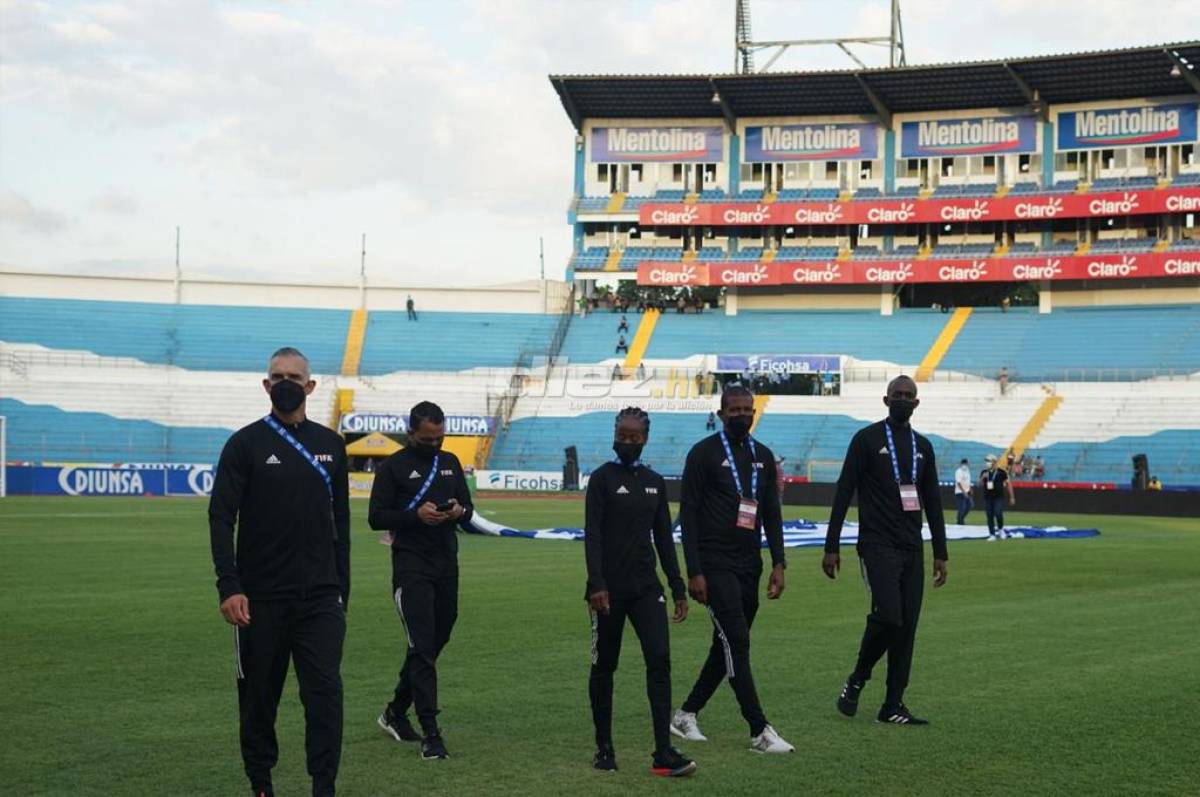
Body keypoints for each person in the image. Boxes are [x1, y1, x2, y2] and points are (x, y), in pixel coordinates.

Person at [208, 347, 351, 797]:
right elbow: (220, 517)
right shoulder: (244, 444)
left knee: (325, 699)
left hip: (320, 600)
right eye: (277, 376)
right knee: (257, 703)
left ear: (311, 386)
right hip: (260, 599)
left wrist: (341, 590)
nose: (285, 382)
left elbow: (341, 522)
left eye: (295, 376)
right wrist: (229, 586)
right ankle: (262, 786)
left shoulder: (331, 445)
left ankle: (323, 787)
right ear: (266, 385)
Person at [670, 385, 794, 754]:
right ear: (721, 413)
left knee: (725, 643)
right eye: (735, 409)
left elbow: (771, 512)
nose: (742, 415)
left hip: (749, 564)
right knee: (736, 641)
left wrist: (778, 563)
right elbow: (687, 514)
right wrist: (694, 570)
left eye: (747, 409)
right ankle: (759, 730)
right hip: (713, 561)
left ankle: (685, 714)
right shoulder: (704, 453)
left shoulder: (763, 456)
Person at [822, 375, 948, 726]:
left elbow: (933, 502)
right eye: (898, 395)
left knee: (906, 627)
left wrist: (940, 551)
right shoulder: (866, 439)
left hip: (912, 548)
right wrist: (832, 545)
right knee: (889, 616)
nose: (903, 400)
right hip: (876, 546)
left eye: (909, 395)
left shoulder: (923, 446)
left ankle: (893, 704)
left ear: (917, 403)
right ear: (885, 399)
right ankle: (858, 677)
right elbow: (844, 490)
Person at [584, 407, 696, 777]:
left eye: (634, 437)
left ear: (645, 438)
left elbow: (664, 536)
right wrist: (597, 584)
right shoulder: (601, 479)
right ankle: (604, 747)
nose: (627, 442)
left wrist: (677, 585)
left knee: (660, 661)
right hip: (608, 592)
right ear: (614, 434)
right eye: (622, 435)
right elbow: (593, 535)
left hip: (648, 588)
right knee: (605, 666)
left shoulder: (654, 482)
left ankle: (662, 751)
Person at [370, 401, 473, 760]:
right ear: (411, 433)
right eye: (427, 439)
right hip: (411, 567)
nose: (435, 445)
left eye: (440, 438)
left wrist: (459, 511)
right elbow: (375, 516)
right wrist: (415, 516)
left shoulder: (450, 463)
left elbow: (468, 507)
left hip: (446, 563)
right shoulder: (393, 467)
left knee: (432, 641)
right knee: (423, 647)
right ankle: (431, 733)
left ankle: (395, 712)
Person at [980, 453, 1016, 541]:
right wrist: (982, 478)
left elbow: (1008, 484)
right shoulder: (984, 472)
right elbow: (980, 484)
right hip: (987, 497)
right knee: (989, 516)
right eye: (986, 461)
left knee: (998, 513)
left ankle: (1000, 529)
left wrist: (1012, 497)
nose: (987, 463)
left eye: (988, 461)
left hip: (998, 497)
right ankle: (992, 534)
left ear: (994, 462)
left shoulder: (1001, 472)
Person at [954, 458, 973, 525]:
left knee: (970, 505)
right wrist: (963, 492)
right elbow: (958, 482)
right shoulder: (958, 471)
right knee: (962, 507)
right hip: (960, 492)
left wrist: (970, 488)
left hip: (967, 491)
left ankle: (960, 518)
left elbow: (968, 481)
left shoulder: (967, 471)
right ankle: (960, 521)